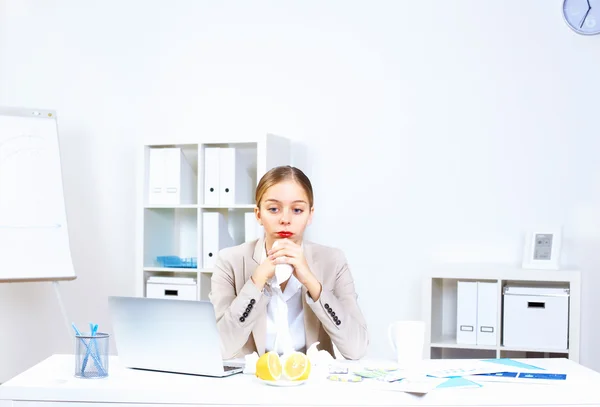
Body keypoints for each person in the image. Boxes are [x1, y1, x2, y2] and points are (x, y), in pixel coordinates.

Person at [209, 165, 368, 360]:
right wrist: (257, 281)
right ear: (258, 214)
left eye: (297, 210)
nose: (285, 219)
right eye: (273, 209)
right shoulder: (229, 261)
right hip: (251, 381)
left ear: (310, 214)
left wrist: (312, 283)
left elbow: (356, 348)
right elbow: (220, 348)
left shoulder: (333, 261)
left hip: (310, 381)